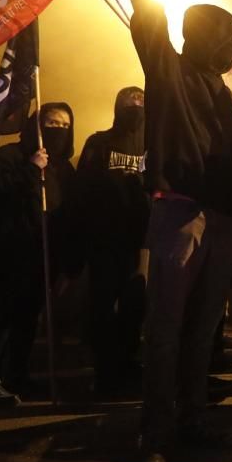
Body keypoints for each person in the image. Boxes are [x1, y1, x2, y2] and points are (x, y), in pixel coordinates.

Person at [112, 0, 232, 462]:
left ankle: (192, 418)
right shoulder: (166, 66)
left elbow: (222, 154)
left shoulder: (223, 93)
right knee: (166, 328)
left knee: (202, 332)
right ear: (205, 36)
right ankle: (155, 434)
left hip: (219, 220)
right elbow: (149, 14)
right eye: (227, 43)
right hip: (178, 215)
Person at [0, 103, 78, 408]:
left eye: (64, 125)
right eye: (51, 122)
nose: (57, 129)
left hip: (44, 252)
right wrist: (30, 169)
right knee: (8, 312)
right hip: (10, 249)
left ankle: (16, 376)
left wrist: (67, 266)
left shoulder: (63, 167)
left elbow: (68, 219)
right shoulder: (10, 156)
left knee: (28, 317)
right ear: (37, 124)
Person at [75, 87, 150, 396]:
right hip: (105, 240)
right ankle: (104, 370)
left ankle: (127, 362)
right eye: (128, 102)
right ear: (117, 106)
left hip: (141, 241)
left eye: (141, 102)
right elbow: (83, 190)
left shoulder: (153, 143)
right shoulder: (99, 143)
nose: (135, 106)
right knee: (102, 306)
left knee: (136, 304)